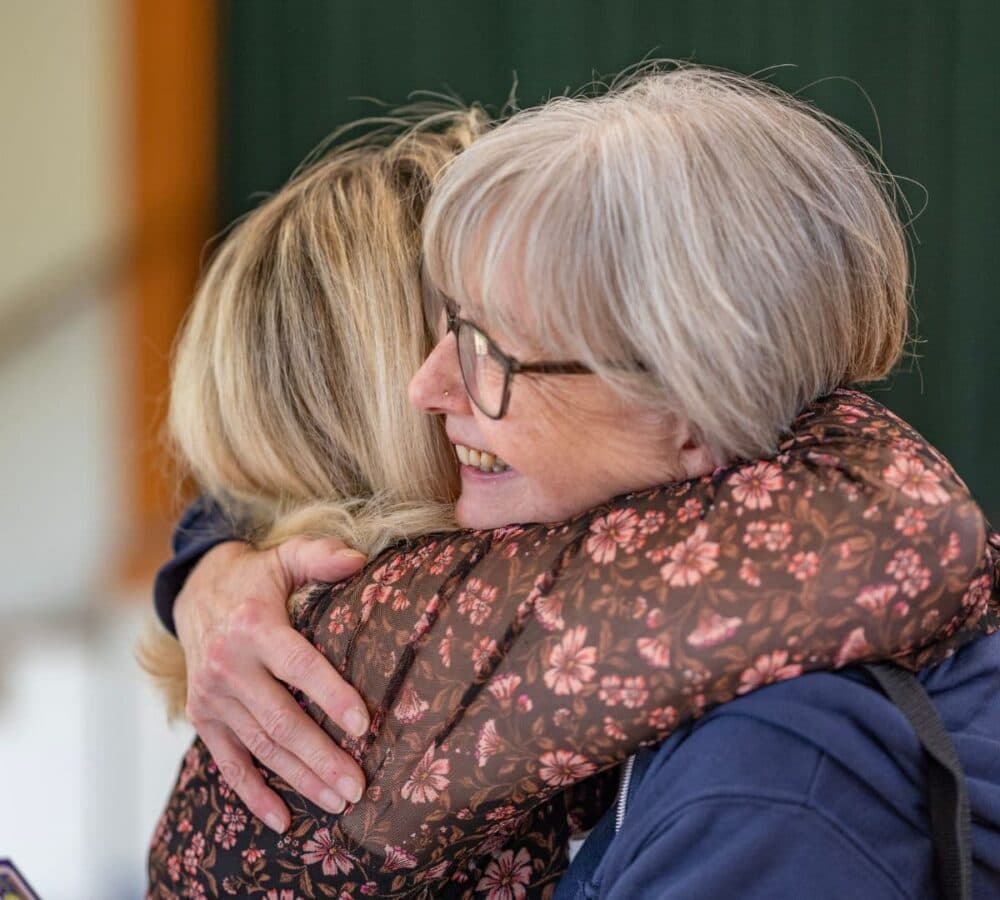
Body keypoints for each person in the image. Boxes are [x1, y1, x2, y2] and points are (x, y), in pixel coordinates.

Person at [145, 66, 998, 898]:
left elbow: (898, 526)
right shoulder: (387, 634)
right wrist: (205, 563)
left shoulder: (765, 756)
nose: (432, 387)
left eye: (488, 345)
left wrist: (204, 563)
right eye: (447, 327)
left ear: (686, 397)